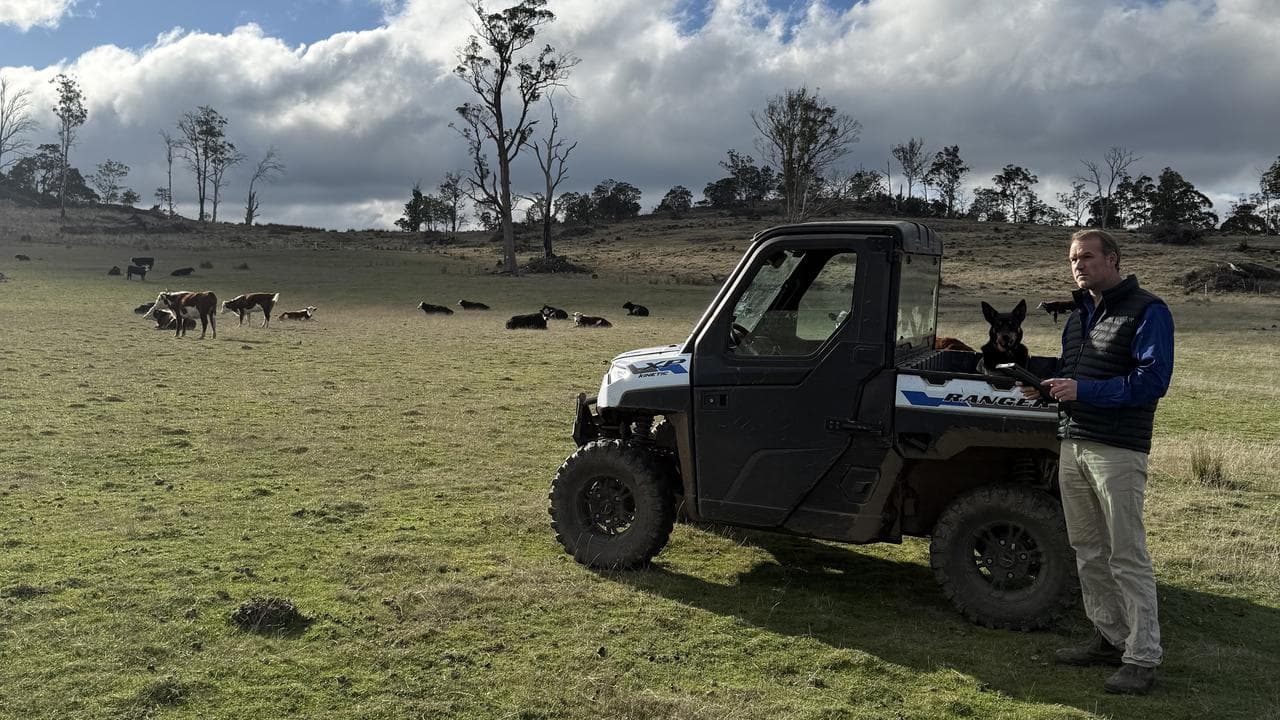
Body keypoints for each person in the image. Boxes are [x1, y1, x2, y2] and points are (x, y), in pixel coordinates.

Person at [1022, 228, 1174, 695]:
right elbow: (1072, 375)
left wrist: (1083, 391)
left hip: (1118, 450)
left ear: (1113, 259)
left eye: (1087, 256)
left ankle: (1143, 657)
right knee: (1088, 551)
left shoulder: (1148, 311)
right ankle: (1109, 638)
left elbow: (1152, 381)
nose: (1078, 264)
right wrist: (1045, 387)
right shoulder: (1077, 316)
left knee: (1126, 554)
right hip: (1074, 442)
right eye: (1072, 258)